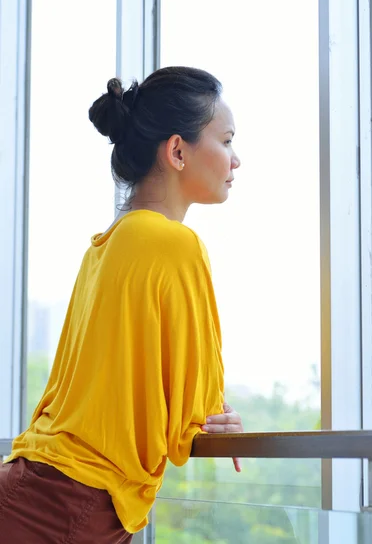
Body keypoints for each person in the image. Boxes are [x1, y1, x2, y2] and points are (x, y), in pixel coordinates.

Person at [0, 66, 243, 543]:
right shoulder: (174, 243)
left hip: (35, 484)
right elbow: (192, 419)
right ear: (177, 151)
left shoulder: (107, 244)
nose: (237, 160)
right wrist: (219, 414)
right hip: (72, 505)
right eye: (228, 141)